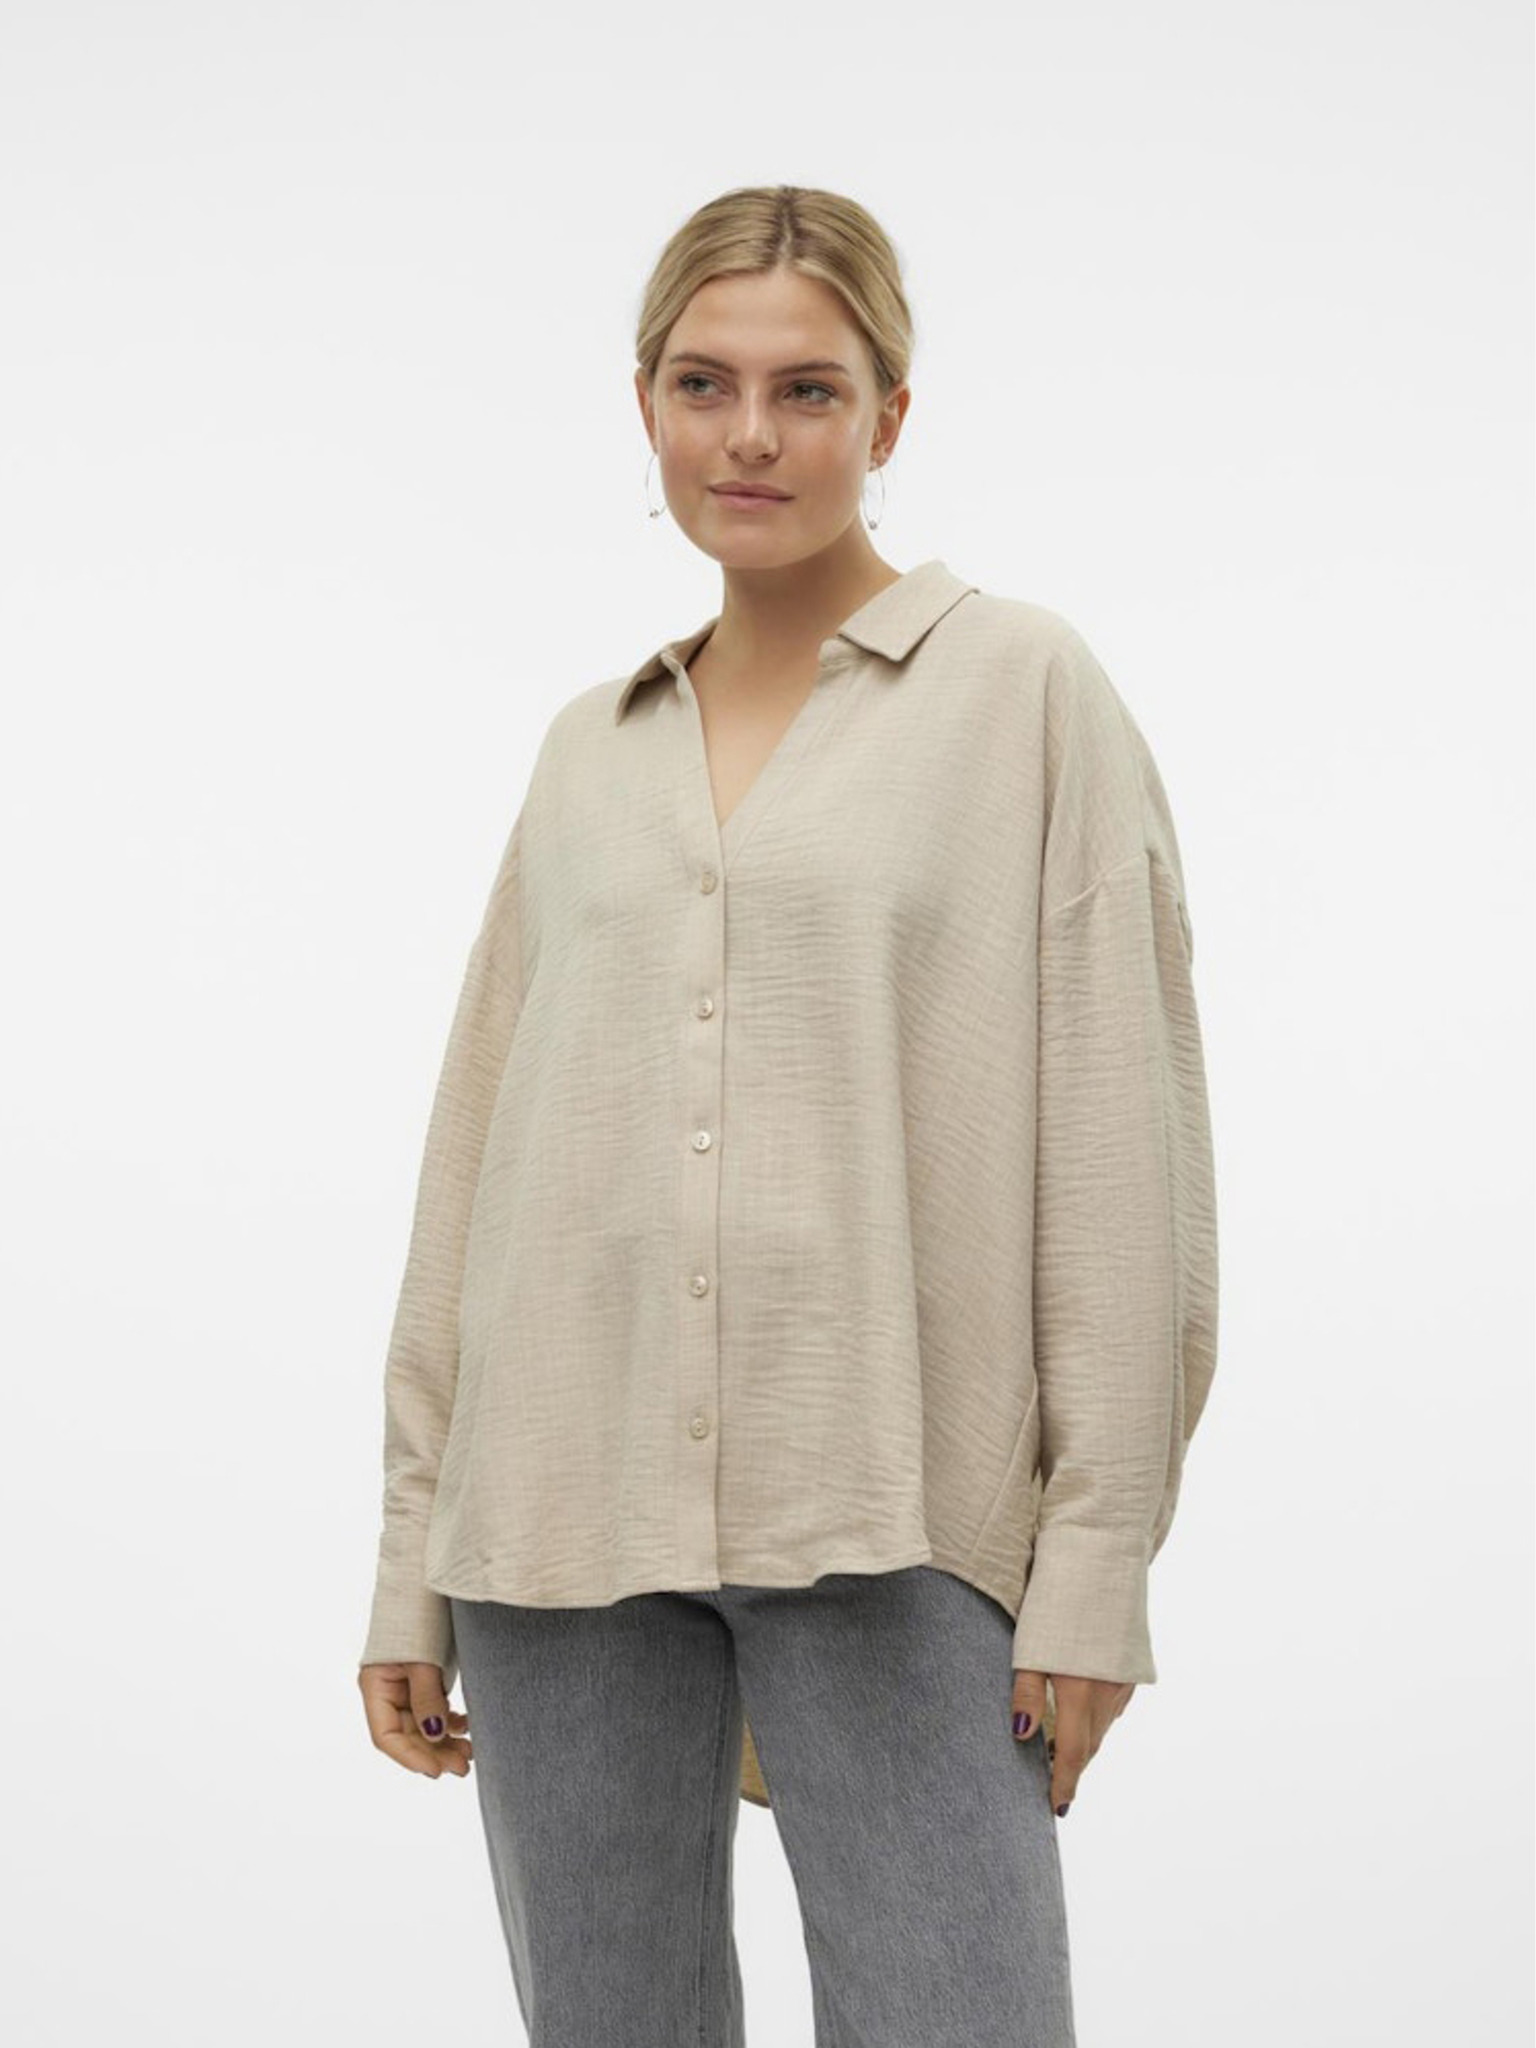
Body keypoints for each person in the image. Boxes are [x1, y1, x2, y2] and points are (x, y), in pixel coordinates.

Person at [356, 183, 1219, 2048]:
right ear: (646, 406)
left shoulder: (1023, 691)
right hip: (558, 1517)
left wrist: (1095, 1566)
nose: (749, 436)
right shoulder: (589, 751)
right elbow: (478, 1164)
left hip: (890, 1505)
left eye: (807, 390)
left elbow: (1121, 1154)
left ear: (889, 417)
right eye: (704, 384)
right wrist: (411, 1560)